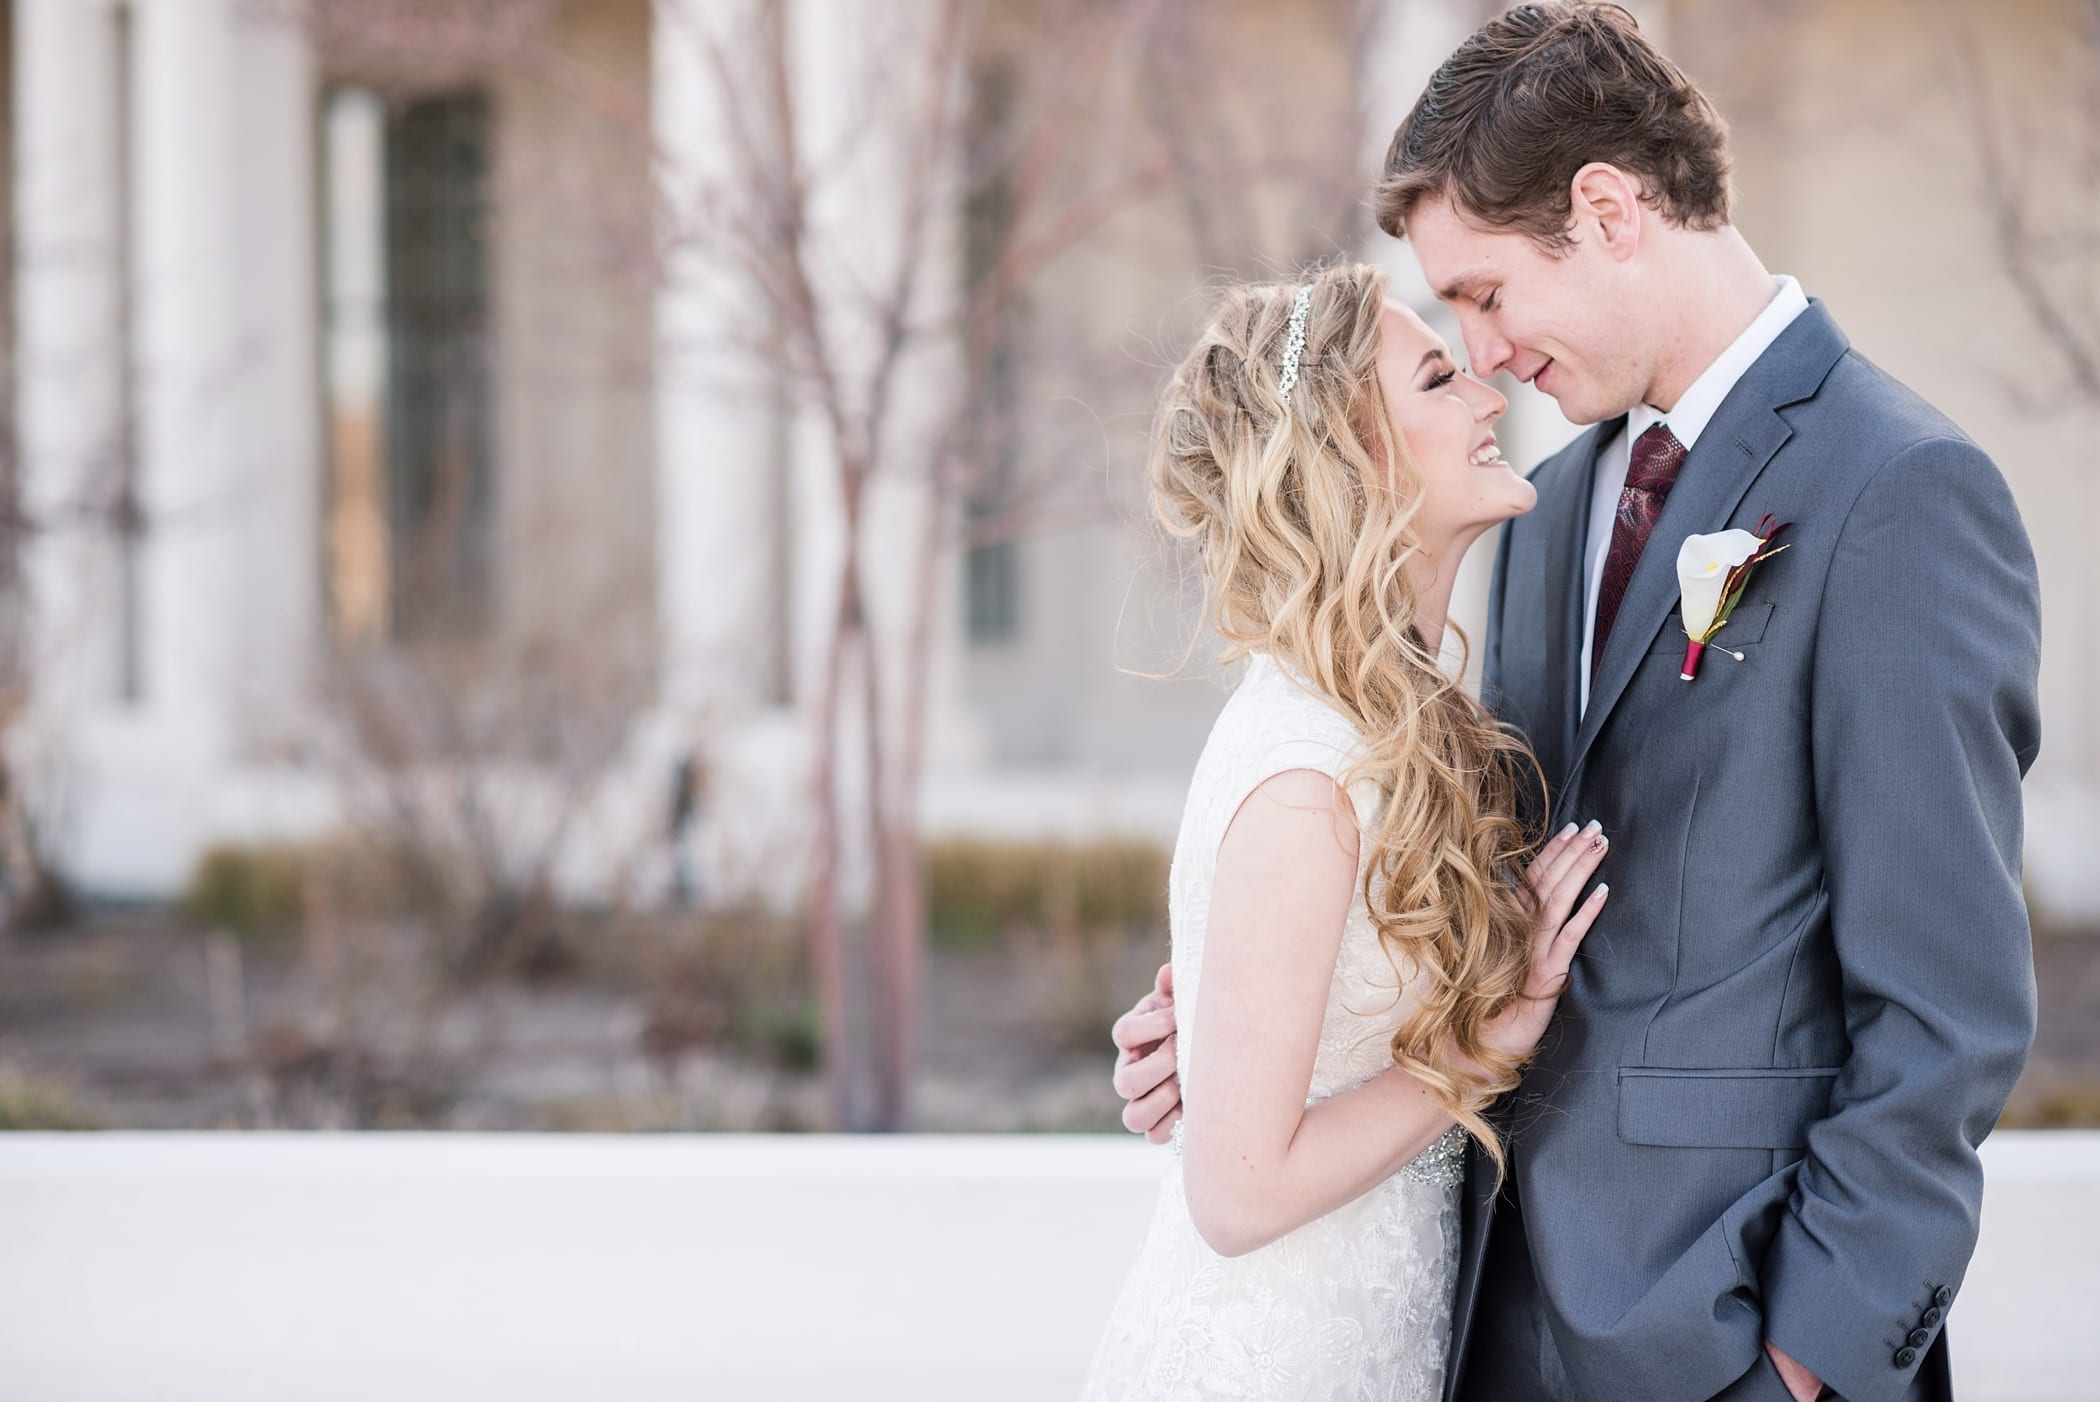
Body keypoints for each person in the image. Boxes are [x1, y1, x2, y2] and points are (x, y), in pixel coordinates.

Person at [1109, 6, 2042, 1401]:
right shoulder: (1542, 519)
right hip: (1476, 1320)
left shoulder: (1898, 492)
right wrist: (1261, 1016)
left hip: (1728, 1340)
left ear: (1605, 210)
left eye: (1483, 294)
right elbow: (1481, 890)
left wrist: (1813, 1357)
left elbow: (1948, 1009)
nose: (1480, 352)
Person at [1079, 261, 1613, 1401]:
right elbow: (1238, 1195)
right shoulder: (1306, 766)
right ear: (1357, 457)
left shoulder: (1403, 725)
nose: (1485, 393)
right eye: (1437, 378)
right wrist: (1490, 1043)